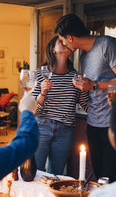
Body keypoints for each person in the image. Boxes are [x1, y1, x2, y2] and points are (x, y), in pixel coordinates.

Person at [54, 14, 116, 182]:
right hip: (93, 123)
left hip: (113, 123)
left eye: (62, 39)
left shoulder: (108, 45)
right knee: (100, 175)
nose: (62, 43)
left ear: (70, 38)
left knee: (113, 177)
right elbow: (91, 88)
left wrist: (94, 85)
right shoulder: (84, 57)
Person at [32, 36, 89, 175]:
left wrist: (93, 88)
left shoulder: (77, 77)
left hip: (65, 131)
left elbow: (86, 105)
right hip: (41, 127)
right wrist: (43, 93)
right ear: (53, 49)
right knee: (36, 173)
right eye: (60, 41)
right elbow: (32, 109)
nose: (64, 43)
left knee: (56, 176)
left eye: (65, 41)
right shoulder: (40, 75)